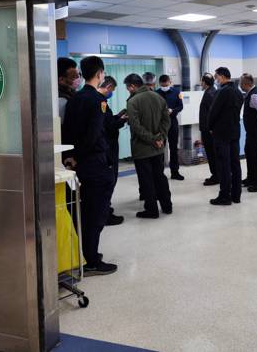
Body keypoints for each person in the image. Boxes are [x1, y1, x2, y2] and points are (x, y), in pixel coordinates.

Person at [61, 56, 117, 276]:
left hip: (78, 165)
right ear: (100, 74)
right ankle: (92, 261)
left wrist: (71, 156)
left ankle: (85, 254)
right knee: (96, 214)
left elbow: (68, 130)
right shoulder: (97, 100)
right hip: (94, 163)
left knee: (82, 212)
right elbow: (93, 135)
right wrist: (79, 156)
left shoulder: (75, 98)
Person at [124, 73, 173, 218]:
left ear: (132, 86)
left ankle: (151, 210)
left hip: (142, 148)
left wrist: (152, 139)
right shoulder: (158, 97)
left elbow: (136, 127)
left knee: (146, 180)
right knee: (160, 177)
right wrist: (160, 138)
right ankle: (167, 206)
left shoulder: (132, 102)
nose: (128, 90)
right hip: (158, 148)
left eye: (128, 88)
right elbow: (167, 121)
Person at [207, 67, 244, 205]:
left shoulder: (222, 92)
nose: (216, 80)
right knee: (235, 163)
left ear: (222, 77)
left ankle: (224, 196)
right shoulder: (238, 92)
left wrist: (210, 127)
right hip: (235, 131)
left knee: (223, 165)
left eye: (216, 77)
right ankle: (236, 195)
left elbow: (213, 111)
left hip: (221, 133)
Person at [98, 76, 127, 226]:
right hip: (107, 148)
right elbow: (108, 127)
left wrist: (118, 116)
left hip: (108, 146)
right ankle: (105, 214)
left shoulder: (102, 102)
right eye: (113, 90)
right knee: (109, 181)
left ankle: (106, 209)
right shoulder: (99, 102)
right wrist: (122, 120)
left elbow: (108, 121)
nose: (112, 93)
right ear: (108, 86)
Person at [156, 74, 184, 180]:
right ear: (160, 83)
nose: (164, 86)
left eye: (166, 84)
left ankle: (175, 172)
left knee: (173, 148)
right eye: (162, 84)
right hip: (160, 124)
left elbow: (180, 106)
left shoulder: (176, 92)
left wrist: (172, 111)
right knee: (160, 148)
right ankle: (159, 173)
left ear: (170, 82)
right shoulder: (156, 93)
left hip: (172, 123)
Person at [199, 73, 219, 186]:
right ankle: (215, 174)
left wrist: (208, 129)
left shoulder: (210, 94)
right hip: (208, 129)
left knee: (212, 154)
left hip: (209, 130)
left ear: (205, 82)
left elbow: (212, 114)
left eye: (201, 81)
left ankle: (216, 176)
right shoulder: (211, 91)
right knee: (212, 153)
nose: (200, 83)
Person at [57, 57, 81, 123]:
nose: (78, 79)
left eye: (78, 76)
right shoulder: (61, 101)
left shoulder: (73, 94)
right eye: (73, 77)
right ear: (61, 80)